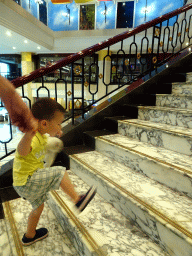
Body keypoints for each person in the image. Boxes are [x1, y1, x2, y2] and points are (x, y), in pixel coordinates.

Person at [12, 97, 97, 246]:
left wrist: (55, 132)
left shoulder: (42, 135)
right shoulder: (32, 138)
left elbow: (46, 136)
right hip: (27, 181)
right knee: (59, 171)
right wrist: (28, 135)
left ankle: (29, 236)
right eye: (58, 123)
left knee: (39, 207)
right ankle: (78, 200)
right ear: (44, 123)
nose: (60, 127)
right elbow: (22, 151)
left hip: (23, 183)